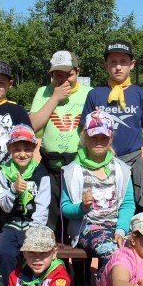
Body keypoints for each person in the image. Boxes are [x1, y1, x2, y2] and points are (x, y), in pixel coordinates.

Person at [61, 110, 135, 286]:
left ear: (111, 138)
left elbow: (127, 204)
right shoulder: (72, 171)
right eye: (94, 137)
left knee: (136, 251)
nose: (99, 142)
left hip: (116, 227)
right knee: (113, 253)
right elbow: (65, 208)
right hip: (87, 227)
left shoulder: (121, 169)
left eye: (104, 137)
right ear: (85, 137)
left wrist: (121, 230)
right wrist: (82, 207)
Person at [80, 40, 143, 212]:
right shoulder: (95, 94)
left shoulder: (142, 95)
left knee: (137, 212)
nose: (118, 67)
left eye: (123, 62)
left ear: (132, 64)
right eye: (113, 62)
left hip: (133, 162)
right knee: (103, 210)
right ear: (105, 65)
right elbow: (84, 135)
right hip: (102, 163)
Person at [30, 51, 92, 234]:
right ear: (51, 75)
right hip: (51, 168)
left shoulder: (89, 93)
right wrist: (55, 98)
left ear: (77, 72)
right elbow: (32, 126)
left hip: (79, 168)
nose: (64, 80)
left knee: (77, 221)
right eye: (58, 75)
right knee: (50, 222)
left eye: (69, 75)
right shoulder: (43, 92)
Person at [0, 124, 51, 281]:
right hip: (11, 224)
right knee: (5, 253)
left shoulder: (41, 173)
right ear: (9, 149)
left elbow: (43, 206)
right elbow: (5, 207)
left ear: (34, 148)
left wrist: (33, 230)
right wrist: (13, 190)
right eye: (17, 150)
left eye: (27, 149)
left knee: (36, 252)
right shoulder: (3, 173)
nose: (22, 154)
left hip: (34, 224)